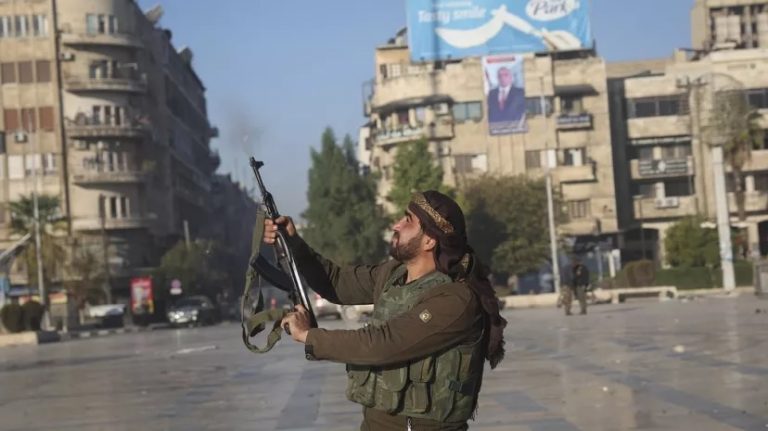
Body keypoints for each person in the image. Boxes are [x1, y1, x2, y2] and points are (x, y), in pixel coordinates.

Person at [264, 191, 507, 431]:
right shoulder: (393, 274)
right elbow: (337, 282)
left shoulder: (456, 299)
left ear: (429, 240)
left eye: (408, 220)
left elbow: (382, 344)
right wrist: (293, 243)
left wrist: (309, 336)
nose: (396, 225)